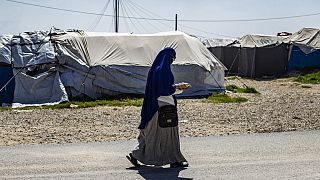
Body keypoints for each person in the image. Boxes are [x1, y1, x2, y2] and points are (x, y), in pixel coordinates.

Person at [126, 47, 190, 168]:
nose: (173, 60)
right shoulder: (162, 71)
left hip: (154, 107)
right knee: (168, 135)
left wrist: (175, 87)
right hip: (162, 108)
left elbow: (161, 88)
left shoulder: (155, 70)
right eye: (172, 57)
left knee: (151, 134)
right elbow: (164, 90)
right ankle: (174, 160)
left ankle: (136, 154)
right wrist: (178, 88)